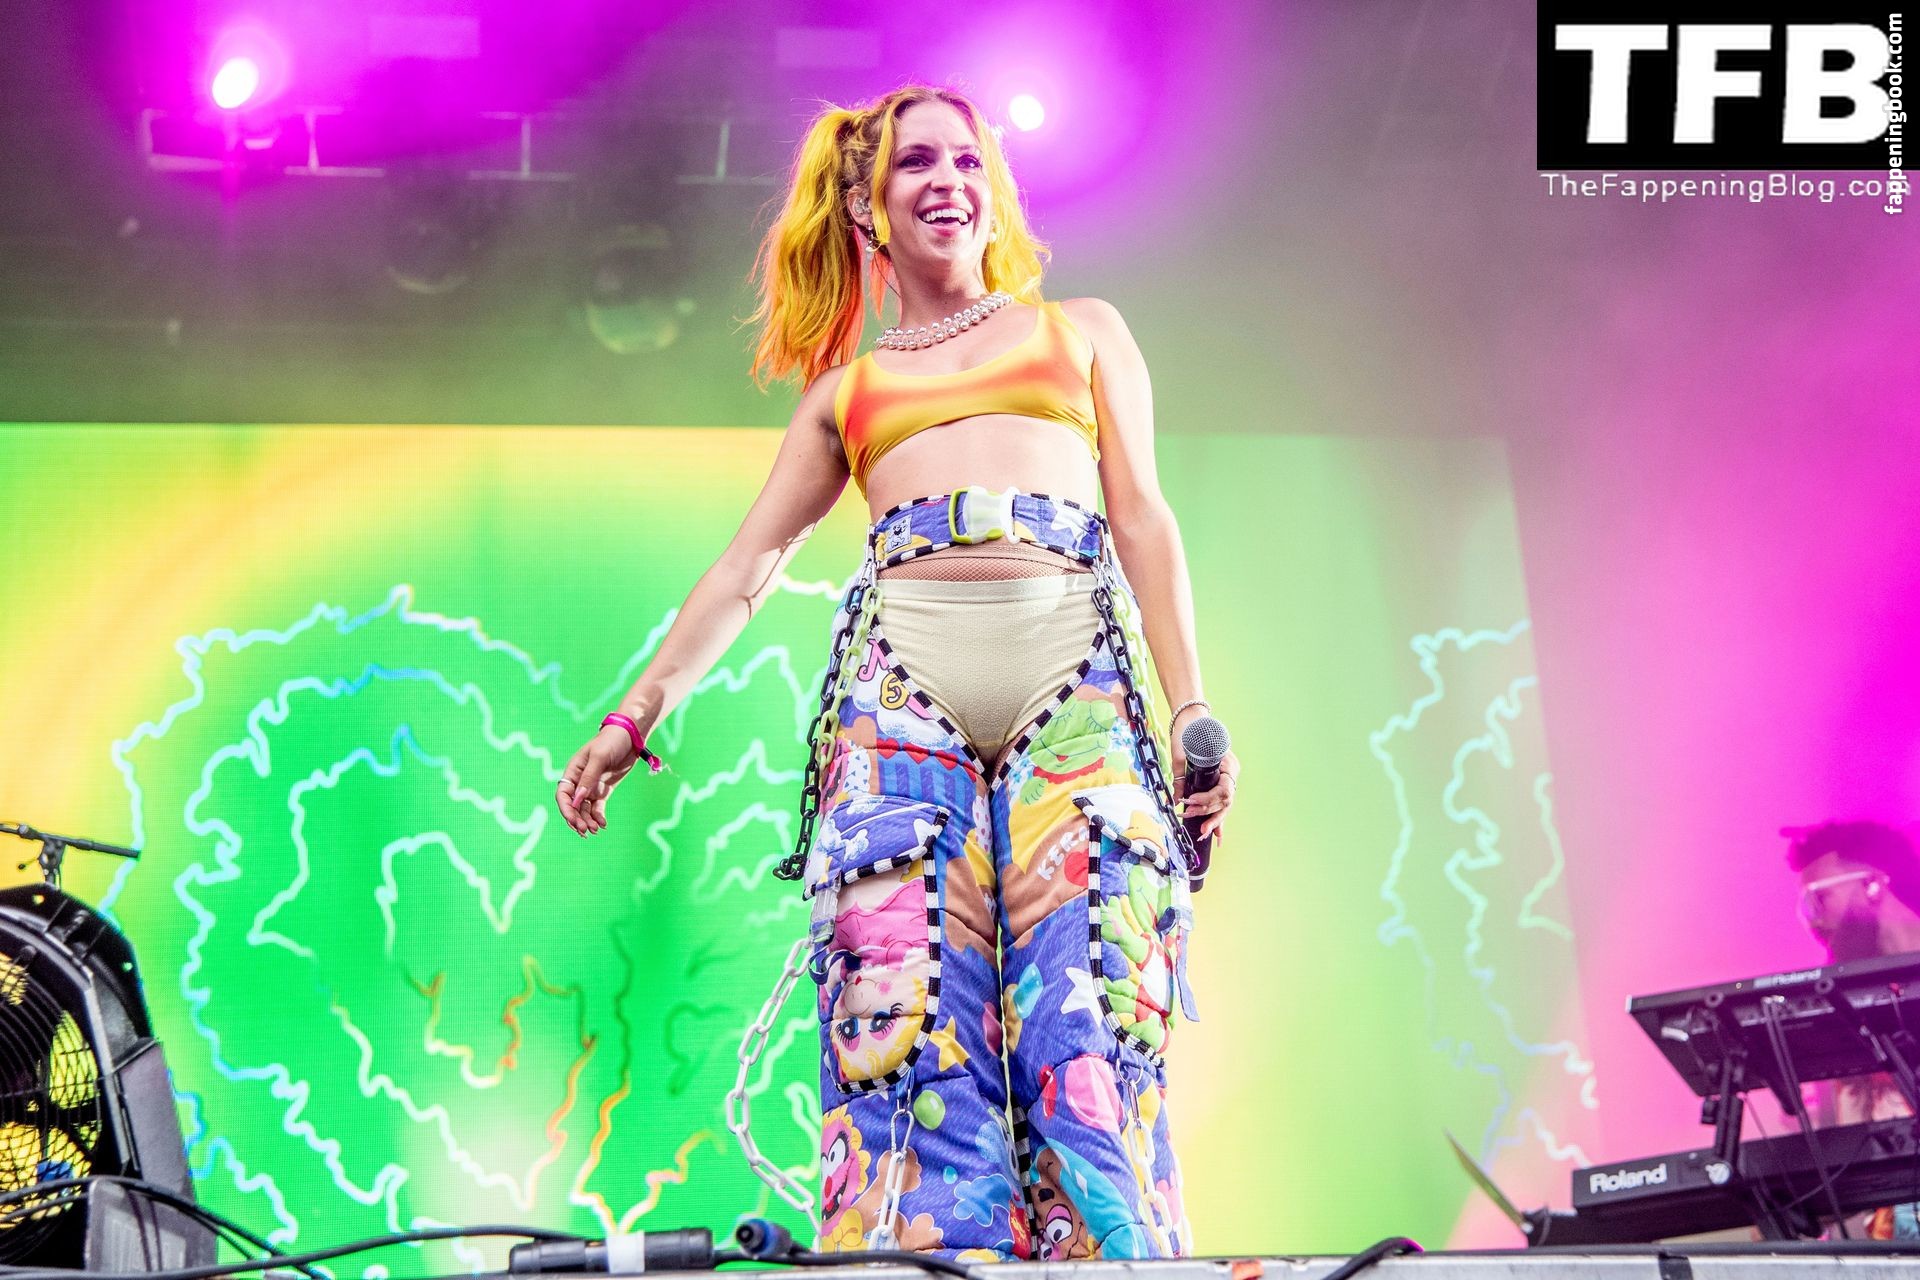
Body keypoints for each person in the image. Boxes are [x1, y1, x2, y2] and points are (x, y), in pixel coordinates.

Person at [555, 84, 1239, 1261]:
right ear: (870, 208)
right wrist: (637, 711)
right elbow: (747, 567)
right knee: (905, 1037)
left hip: (1073, 696)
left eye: (967, 161)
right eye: (918, 163)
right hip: (902, 708)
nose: (948, 181)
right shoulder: (849, 394)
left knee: (1090, 1017)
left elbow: (1142, 519)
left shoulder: (1081, 331)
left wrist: (1191, 709)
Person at [1785, 820, 1920, 1239]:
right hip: (1891, 1244)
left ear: (1872, 884)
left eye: (1819, 898)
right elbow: (1835, 1161)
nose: (1813, 922)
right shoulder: (1836, 1012)